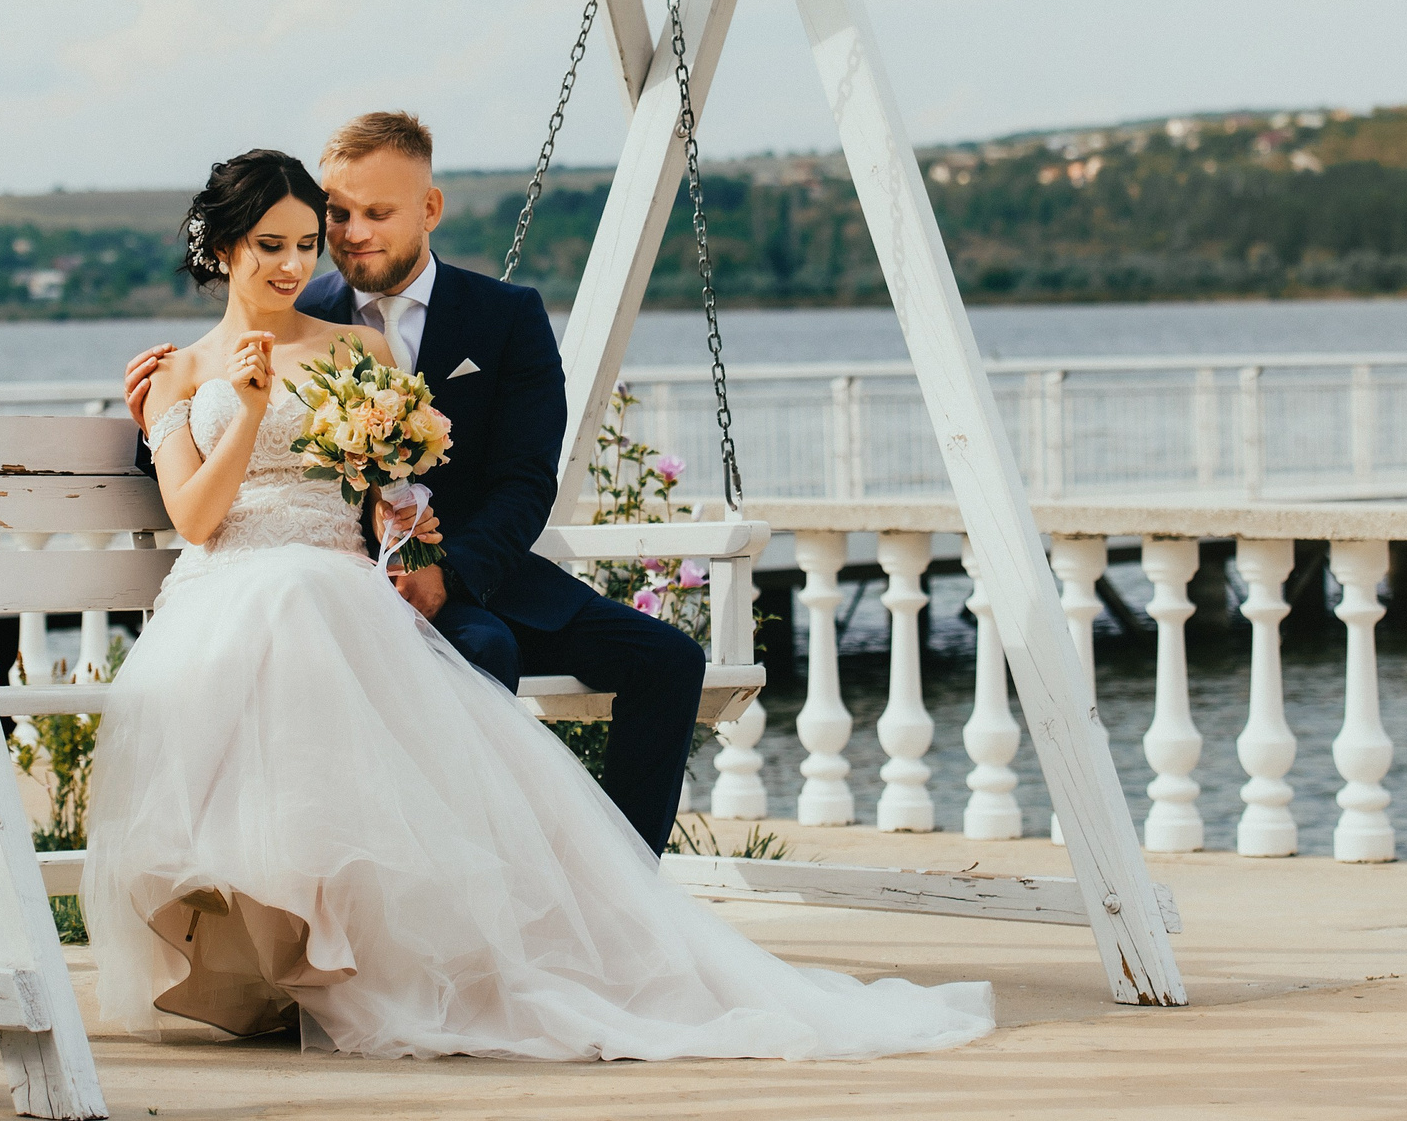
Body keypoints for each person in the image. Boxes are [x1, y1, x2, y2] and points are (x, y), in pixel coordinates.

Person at [86, 147, 993, 1059]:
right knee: (294, 607)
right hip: (247, 584)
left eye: (304, 243)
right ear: (223, 246)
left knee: (332, 607)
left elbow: (427, 485)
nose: (295, 263)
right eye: (270, 244)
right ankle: (284, 964)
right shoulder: (177, 369)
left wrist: (411, 528)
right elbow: (196, 514)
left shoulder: (360, 346)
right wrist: (231, 409)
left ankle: (591, 911)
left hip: (357, 578)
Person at [125, 110, 706, 856]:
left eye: (378, 213)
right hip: (347, 585)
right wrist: (148, 419)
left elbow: (526, 479)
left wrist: (448, 570)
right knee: (481, 651)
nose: (351, 233)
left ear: (429, 209)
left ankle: (622, 879)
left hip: (482, 570)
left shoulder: (506, 317)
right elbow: (225, 434)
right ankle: (475, 874)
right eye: (338, 214)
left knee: (668, 662)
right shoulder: (297, 311)